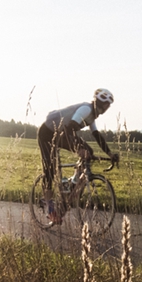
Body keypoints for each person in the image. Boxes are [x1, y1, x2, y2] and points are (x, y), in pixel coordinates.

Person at [37, 88, 118, 224]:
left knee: (89, 152)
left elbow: (97, 136)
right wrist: (78, 148)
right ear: (100, 102)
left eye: (108, 105)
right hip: (47, 133)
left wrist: (110, 154)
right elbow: (69, 129)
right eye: (106, 104)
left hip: (61, 133)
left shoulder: (93, 115)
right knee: (50, 169)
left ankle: (73, 182)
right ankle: (48, 207)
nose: (107, 108)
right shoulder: (86, 109)